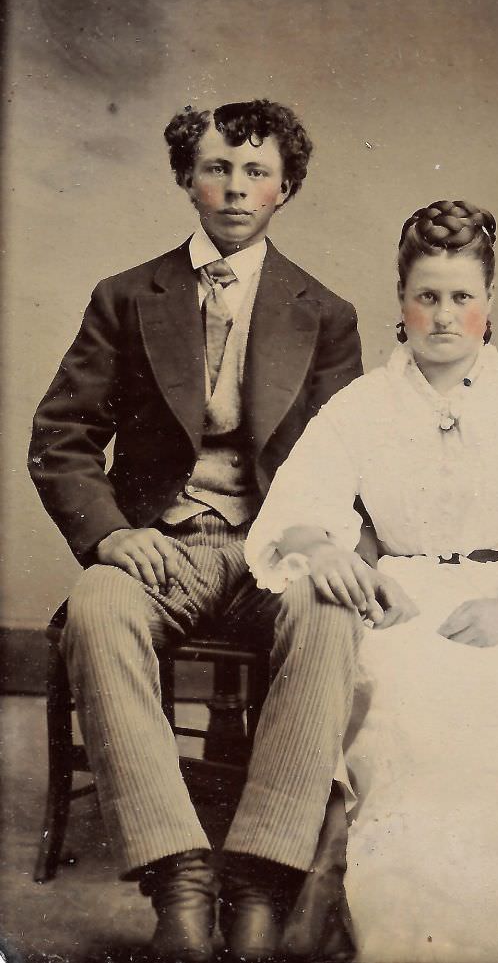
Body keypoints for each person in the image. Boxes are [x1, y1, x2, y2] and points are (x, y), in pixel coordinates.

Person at [243, 200, 498, 962]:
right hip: (409, 602)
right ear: (402, 303)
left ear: (489, 306)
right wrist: (331, 553)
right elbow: (294, 511)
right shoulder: (361, 407)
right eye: (428, 296)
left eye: (463, 296)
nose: (446, 316)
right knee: (408, 701)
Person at [28, 99, 364, 963]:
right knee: (100, 604)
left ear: (285, 187)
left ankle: (259, 878)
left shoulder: (325, 313)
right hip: (161, 544)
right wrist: (108, 534)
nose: (236, 187)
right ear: (186, 178)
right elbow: (61, 437)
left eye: (257, 170)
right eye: (217, 167)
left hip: (273, 549)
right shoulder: (125, 295)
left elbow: (346, 458)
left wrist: (316, 540)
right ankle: (178, 876)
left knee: (330, 614)